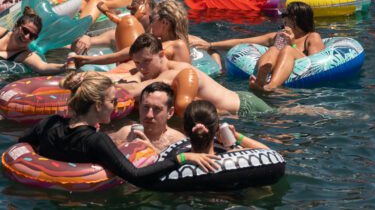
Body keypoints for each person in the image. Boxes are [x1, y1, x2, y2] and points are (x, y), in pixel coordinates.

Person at [19, 71, 218, 189]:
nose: (115, 106)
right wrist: (181, 159)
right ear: (97, 105)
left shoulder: (50, 122)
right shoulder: (96, 141)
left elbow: (22, 144)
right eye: (112, 101)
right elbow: (136, 175)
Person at [111, 34, 273, 118]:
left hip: (244, 107)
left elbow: (134, 90)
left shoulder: (173, 73)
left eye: (146, 61)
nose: (141, 67)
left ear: (161, 55)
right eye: (137, 63)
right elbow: (127, 78)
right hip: (235, 102)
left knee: (283, 115)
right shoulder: (152, 70)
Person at [206, 2, 325, 93]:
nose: (282, 19)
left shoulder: (312, 37)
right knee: (274, 48)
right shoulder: (280, 36)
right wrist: (211, 45)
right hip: (278, 66)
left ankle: (271, 86)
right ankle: (261, 79)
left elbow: (314, 64)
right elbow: (243, 41)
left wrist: (292, 43)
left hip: (299, 67)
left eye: (285, 15)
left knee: (287, 49)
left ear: (295, 19)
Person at [111, 82, 185, 153]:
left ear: (170, 112)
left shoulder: (178, 142)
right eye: (146, 107)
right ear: (139, 107)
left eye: (157, 109)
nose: (149, 115)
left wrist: (152, 151)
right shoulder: (125, 134)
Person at [184, 99, 268, 154]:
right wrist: (235, 136)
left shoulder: (175, 160)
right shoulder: (233, 155)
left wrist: (183, 158)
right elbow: (268, 152)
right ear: (217, 128)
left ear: (185, 130)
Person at [0, 7, 67, 73]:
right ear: (16, 26)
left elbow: (43, 67)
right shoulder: (2, 33)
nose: (26, 37)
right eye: (25, 30)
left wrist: (68, 65)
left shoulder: (25, 55)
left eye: (32, 35)